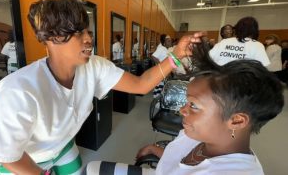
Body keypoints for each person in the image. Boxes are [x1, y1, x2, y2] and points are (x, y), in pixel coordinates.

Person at [0, 0, 202, 175]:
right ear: (52, 37)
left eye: (88, 32)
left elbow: (141, 85)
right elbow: (8, 157)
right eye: (79, 32)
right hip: (21, 159)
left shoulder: (94, 66)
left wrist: (175, 55)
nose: (89, 39)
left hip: (61, 148)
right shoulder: (19, 89)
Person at [86, 40, 284, 175]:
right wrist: (159, 151)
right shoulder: (197, 134)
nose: (182, 110)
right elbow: (180, 163)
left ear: (237, 120)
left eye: (194, 105)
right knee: (90, 168)